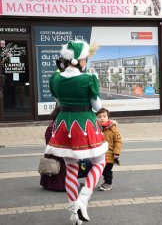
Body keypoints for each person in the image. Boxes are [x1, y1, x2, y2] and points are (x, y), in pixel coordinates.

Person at [45, 40, 108, 225]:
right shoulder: (88, 78)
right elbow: (97, 106)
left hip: (63, 125)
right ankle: (83, 199)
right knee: (100, 161)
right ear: (81, 61)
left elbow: (58, 103)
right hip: (85, 124)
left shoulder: (55, 78)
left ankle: (74, 214)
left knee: (71, 168)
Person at [40, 105, 66, 192]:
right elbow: (52, 148)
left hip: (60, 154)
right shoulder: (51, 128)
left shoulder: (61, 125)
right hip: (55, 155)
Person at [96, 108, 123, 191]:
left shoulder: (113, 129)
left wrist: (116, 153)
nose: (102, 118)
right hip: (98, 154)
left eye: (104, 116)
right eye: (99, 116)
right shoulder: (95, 128)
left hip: (109, 155)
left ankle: (108, 183)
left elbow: (118, 141)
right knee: (99, 169)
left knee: (107, 170)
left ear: (108, 118)